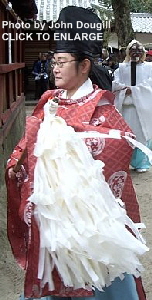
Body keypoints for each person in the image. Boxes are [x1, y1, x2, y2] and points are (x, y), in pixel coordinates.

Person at [5, 8, 148, 300]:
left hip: (90, 220)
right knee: (53, 268)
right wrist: (18, 159)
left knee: (99, 271)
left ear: (84, 65)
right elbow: (29, 141)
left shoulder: (102, 105)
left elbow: (120, 144)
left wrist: (70, 144)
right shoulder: (49, 101)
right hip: (53, 213)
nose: (54, 68)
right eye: (54, 61)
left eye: (61, 62)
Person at [112, 40, 152, 173]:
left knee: (141, 134)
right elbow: (115, 84)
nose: (136, 53)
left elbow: (149, 84)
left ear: (143, 53)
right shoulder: (122, 68)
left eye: (139, 51)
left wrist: (134, 91)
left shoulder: (149, 67)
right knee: (126, 135)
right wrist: (124, 90)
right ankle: (124, 162)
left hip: (142, 107)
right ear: (128, 52)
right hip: (126, 107)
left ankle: (141, 163)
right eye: (133, 51)